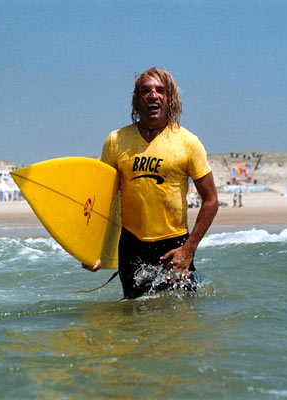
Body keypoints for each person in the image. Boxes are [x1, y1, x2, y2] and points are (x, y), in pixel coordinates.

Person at [82, 67, 218, 299]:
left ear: (170, 98)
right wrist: (92, 249)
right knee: (135, 313)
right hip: (131, 245)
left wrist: (188, 249)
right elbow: (103, 199)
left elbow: (211, 200)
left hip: (174, 245)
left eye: (160, 90)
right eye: (146, 91)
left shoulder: (188, 142)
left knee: (181, 315)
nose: (153, 95)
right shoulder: (116, 141)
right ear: (137, 99)